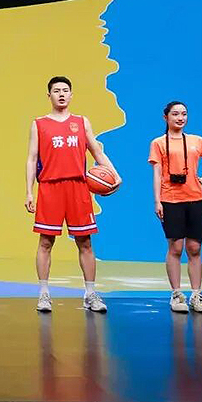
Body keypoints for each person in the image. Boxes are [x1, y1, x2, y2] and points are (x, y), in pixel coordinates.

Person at [25, 76, 121, 313]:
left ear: (71, 94)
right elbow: (32, 159)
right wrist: (29, 191)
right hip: (50, 187)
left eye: (65, 90)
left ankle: (90, 294)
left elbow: (97, 151)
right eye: (56, 90)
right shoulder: (39, 124)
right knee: (46, 241)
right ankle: (44, 294)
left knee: (85, 242)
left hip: (78, 187)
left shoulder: (81, 122)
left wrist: (114, 174)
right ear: (49, 95)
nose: (61, 94)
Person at [149, 101, 202, 314]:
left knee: (195, 248)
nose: (180, 118)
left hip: (196, 198)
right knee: (175, 247)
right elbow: (156, 173)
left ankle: (196, 295)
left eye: (184, 114)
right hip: (170, 199)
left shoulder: (196, 140)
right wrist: (157, 201)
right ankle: (176, 294)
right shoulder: (158, 143)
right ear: (166, 117)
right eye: (175, 114)